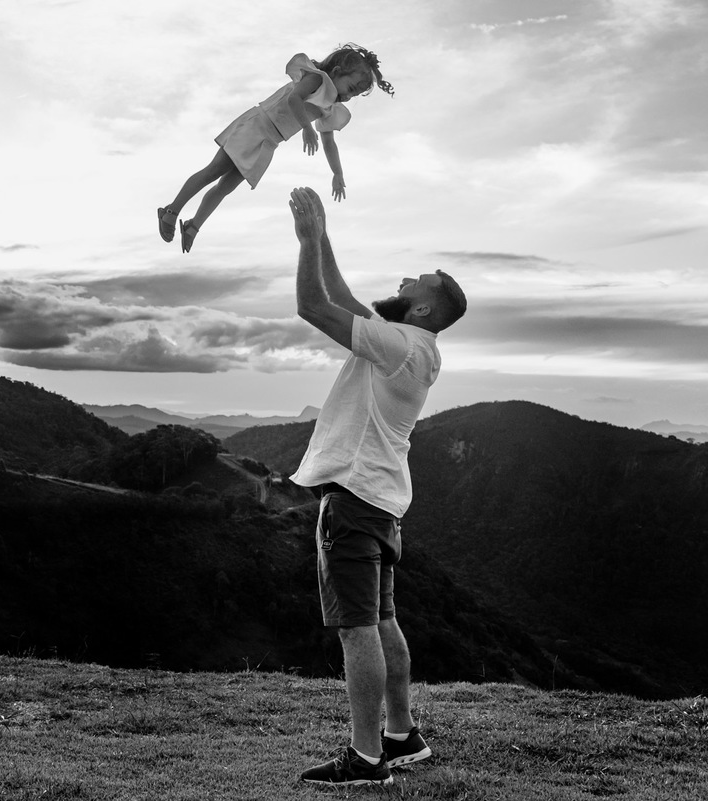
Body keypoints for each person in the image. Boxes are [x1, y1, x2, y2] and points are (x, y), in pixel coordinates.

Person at [285, 186, 467, 787]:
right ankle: (401, 734)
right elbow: (341, 296)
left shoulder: (398, 346)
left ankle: (366, 759)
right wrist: (322, 232)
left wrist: (308, 242)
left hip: (356, 499)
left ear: (420, 311)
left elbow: (313, 304)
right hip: (383, 503)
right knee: (383, 620)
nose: (405, 279)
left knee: (358, 627)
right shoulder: (416, 346)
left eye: (415, 282)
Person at [157, 44, 393, 253]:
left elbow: (329, 141)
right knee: (214, 170)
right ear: (338, 72)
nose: (350, 96)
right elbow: (294, 99)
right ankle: (171, 210)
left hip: (269, 141)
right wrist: (307, 129)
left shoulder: (330, 105)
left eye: (355, 94)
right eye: (351, 88)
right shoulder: (317, 80)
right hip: (257, 126)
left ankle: (193, 226)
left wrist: (337, 173)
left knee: (226, 187)